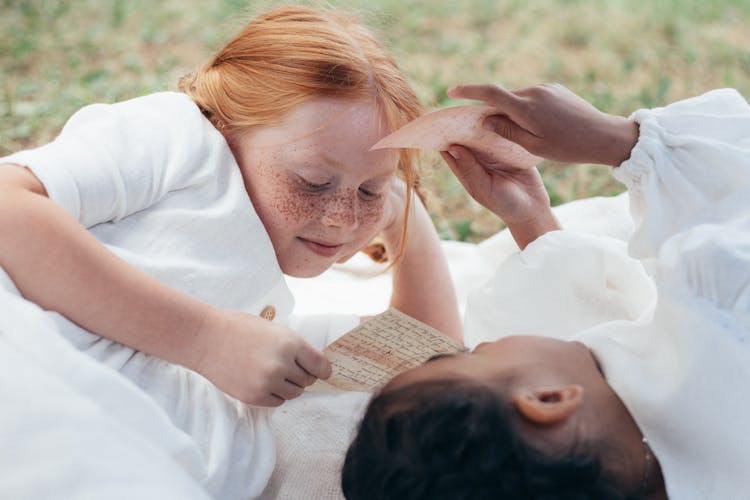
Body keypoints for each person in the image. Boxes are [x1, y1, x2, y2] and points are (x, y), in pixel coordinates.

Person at [0, 5, 461, 498]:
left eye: (369, 192)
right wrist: (204, 339)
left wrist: (402, 212)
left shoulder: (267, 323)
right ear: (228, 126)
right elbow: (7, 203)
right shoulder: (181, 141)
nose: (342, 218)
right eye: (314, 181)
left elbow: (426, 357)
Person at [342, 83, 750, 499]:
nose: (486, 341)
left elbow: (597, 360)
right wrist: (612, 139)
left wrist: (531, 219)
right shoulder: (724, 294)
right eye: (472, 353)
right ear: (549, 399)